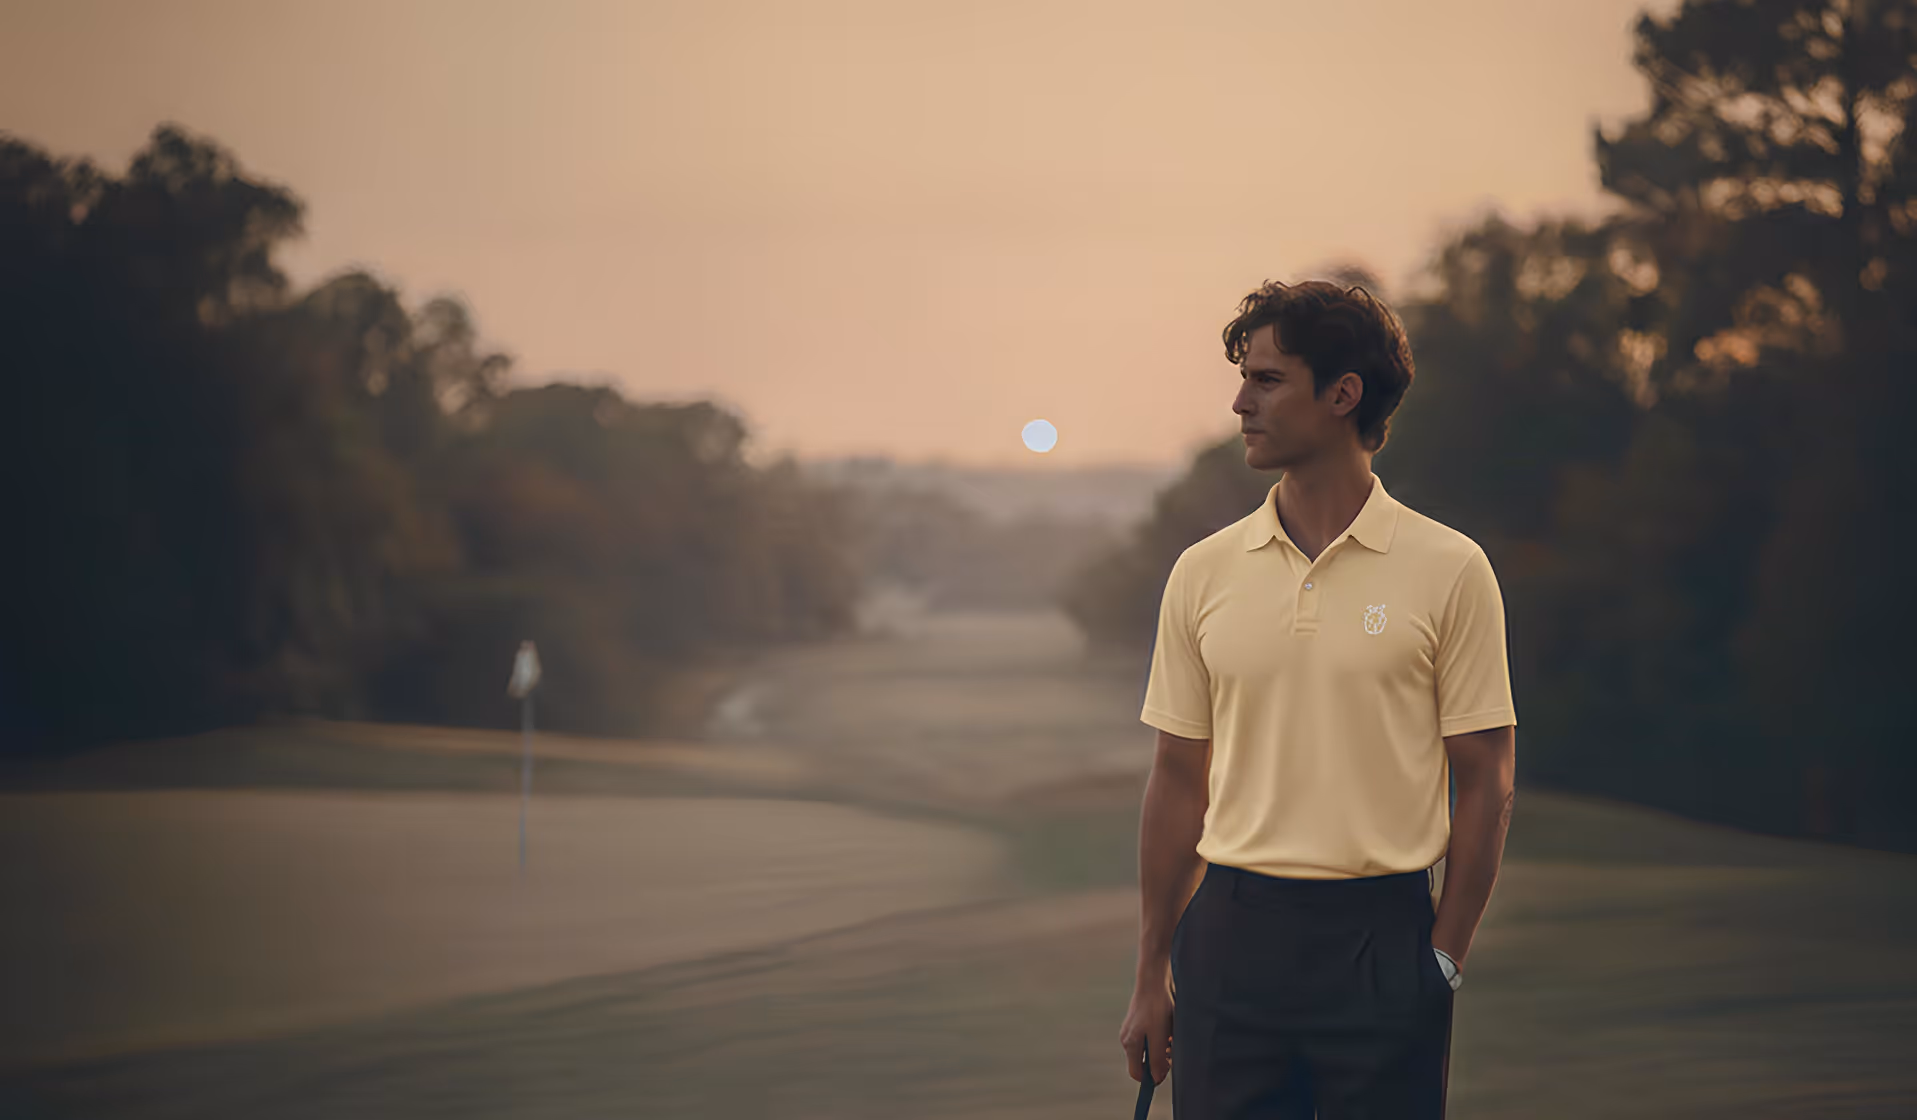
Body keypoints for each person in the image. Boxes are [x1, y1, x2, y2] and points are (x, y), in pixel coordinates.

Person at [1119, 279, 1518, 1118]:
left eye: (1266, 380)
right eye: (1243, 378)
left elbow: (1486, 779)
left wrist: (1442, 957)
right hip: (1230, 936)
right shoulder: (1202, 572)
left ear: (1343, 395)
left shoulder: (1450, 569)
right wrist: (1150, 971)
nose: (1239, 403)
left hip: (1381, 941)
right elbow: (1177, 781)